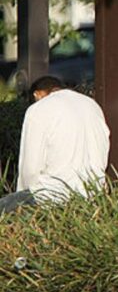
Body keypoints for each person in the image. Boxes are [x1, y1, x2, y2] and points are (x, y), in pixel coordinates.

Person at [0, 76, 110, 213]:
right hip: (93, 195)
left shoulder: (39, 108)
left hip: (52, 195)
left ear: (37, 94)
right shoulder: (93, 106)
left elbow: (30, 169)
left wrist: (22, 199)